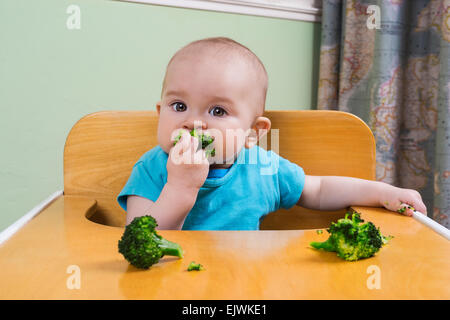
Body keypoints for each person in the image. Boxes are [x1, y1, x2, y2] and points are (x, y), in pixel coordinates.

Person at [117, 37, 427, 230]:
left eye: (218, 111)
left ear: (253, 133)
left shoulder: (262, 168)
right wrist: (180, 188)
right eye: (179, 105)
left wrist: (383, 193)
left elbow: (318, 190)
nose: (193, 124)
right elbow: (140, 245)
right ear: (160, 113)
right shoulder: (152, 168)